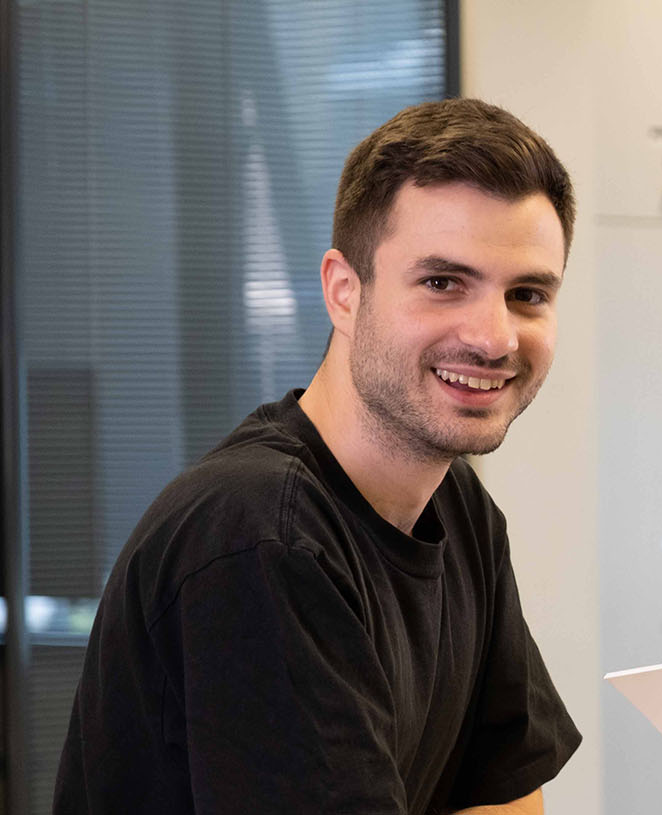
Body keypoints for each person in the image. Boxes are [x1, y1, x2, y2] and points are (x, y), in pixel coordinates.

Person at [54, 98, 582, 814]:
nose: (494, 337)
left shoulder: (460, 510)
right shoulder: (261, 538)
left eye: (527, 294)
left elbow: (507, 795)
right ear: (343, 291)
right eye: (442, 283)